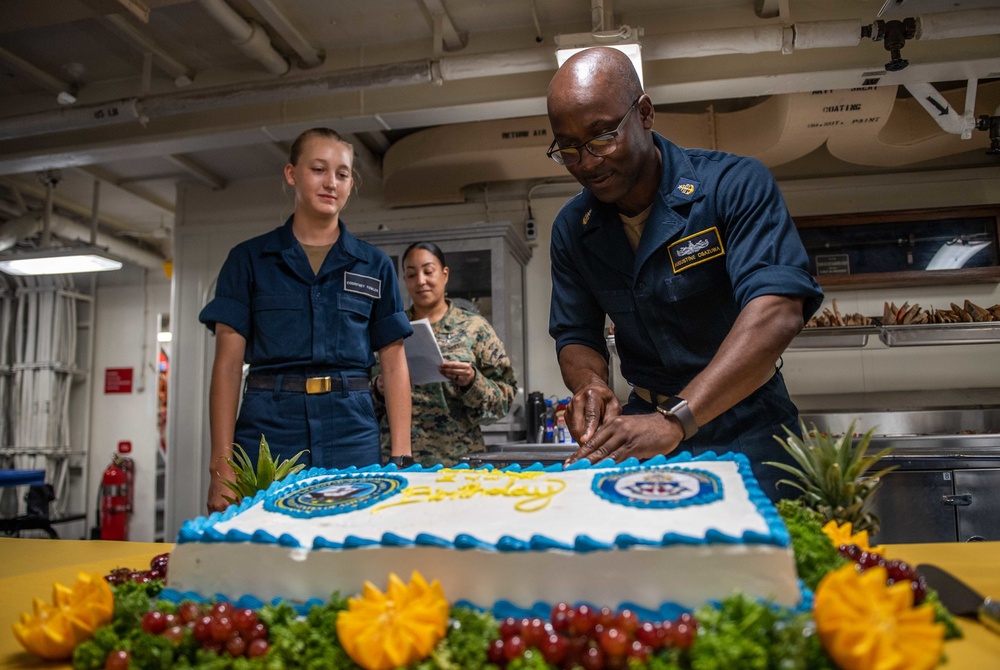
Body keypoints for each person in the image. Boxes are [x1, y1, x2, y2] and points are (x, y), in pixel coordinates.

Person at [545, 47, 824, 500]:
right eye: (569, 149)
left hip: (750, 423)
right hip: (642, 432)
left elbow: (776, 311)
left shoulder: (733, 186)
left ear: (645, 113)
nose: (588, 162)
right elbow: (576, 334)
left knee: (771, 564)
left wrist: (677, 420)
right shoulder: (572, 230)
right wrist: (591, 385)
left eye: (601, 137)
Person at [199, 128, 413, 513]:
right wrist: (221, 465)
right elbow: (229, 367)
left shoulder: (375, 265)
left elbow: (394, 364)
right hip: (269, 431)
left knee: (352, 542)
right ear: (291, 173)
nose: (331, 182)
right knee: (266, 545)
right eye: (318, 169)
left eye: (343, 173)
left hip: (351, 429)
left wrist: (401, 456)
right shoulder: (248, 261)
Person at [372, 242, 517, 466]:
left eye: (428, 272)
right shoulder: (392, 329)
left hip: (459, 461)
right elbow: (359, 397)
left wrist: (472, 382)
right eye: (411, 275)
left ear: (445, 274)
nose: (420, 281)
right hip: (400, 458)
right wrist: (379, 389)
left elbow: (505, 398)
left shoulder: (474, 328)